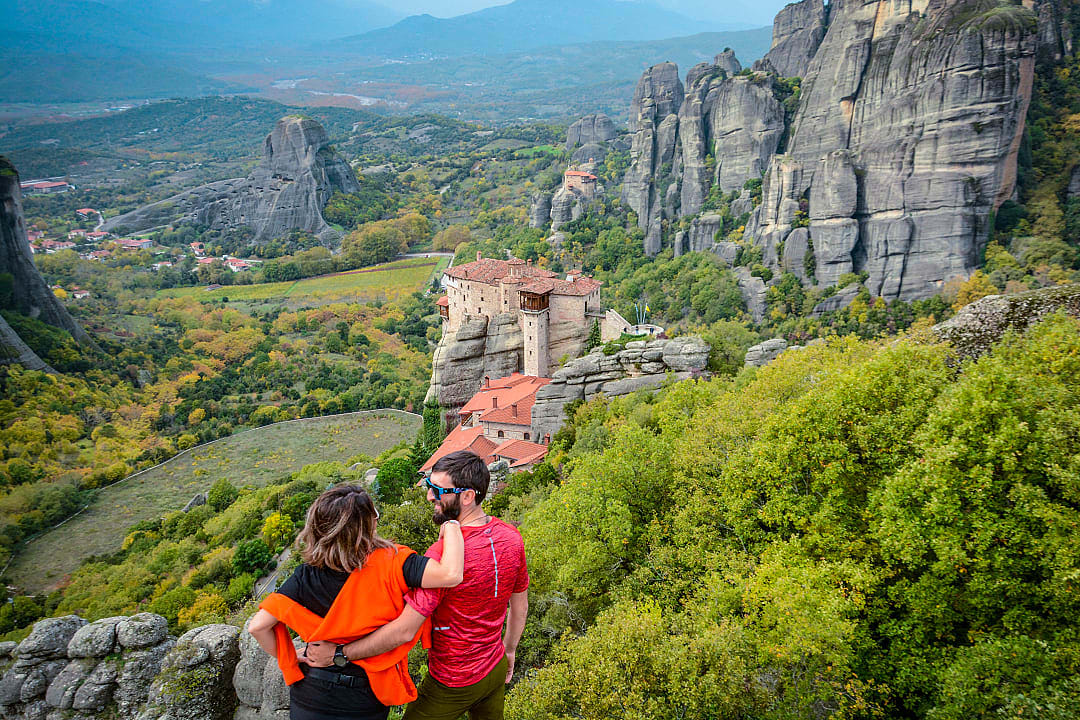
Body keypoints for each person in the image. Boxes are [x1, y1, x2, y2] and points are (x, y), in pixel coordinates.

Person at [305, 450, 529, 720]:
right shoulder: (511, 537)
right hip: (494, 669)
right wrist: (509, 650)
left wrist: (339, 654)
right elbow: (519, 603)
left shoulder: (442, 557)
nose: (429, 496)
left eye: (437, 489)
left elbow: (404, 631)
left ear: (468, 496)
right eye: (429, 486)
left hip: (453, 680)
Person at [247, 485, 465, 720]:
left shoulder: (305, 575)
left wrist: (290, 656)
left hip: (310, 695)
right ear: (368, 525)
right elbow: (451, 574)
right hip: (362, 694)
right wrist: (452, 524)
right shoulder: (395, 564)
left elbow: (257, 627)